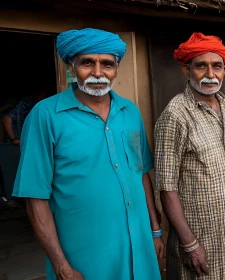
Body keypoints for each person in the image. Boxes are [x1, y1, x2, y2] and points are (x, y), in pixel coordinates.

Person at [12, 28, 163, 280]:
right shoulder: (45, 115)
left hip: (140, 249)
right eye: (87, 63)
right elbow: (35, 197)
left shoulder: (130, 112)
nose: (97, 73)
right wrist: (61, 266)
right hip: (84, 258)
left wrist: (155, 231)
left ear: (116, 68)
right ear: (71, 66)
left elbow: (141, 173)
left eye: (107, 64)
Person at [154, 32, 225, 279]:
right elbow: (167, 187)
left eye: (217, 66)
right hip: (202, 238)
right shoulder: (175, 115)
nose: (210, 74)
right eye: (201, 66)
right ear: (186, 70)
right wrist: (190, 244)